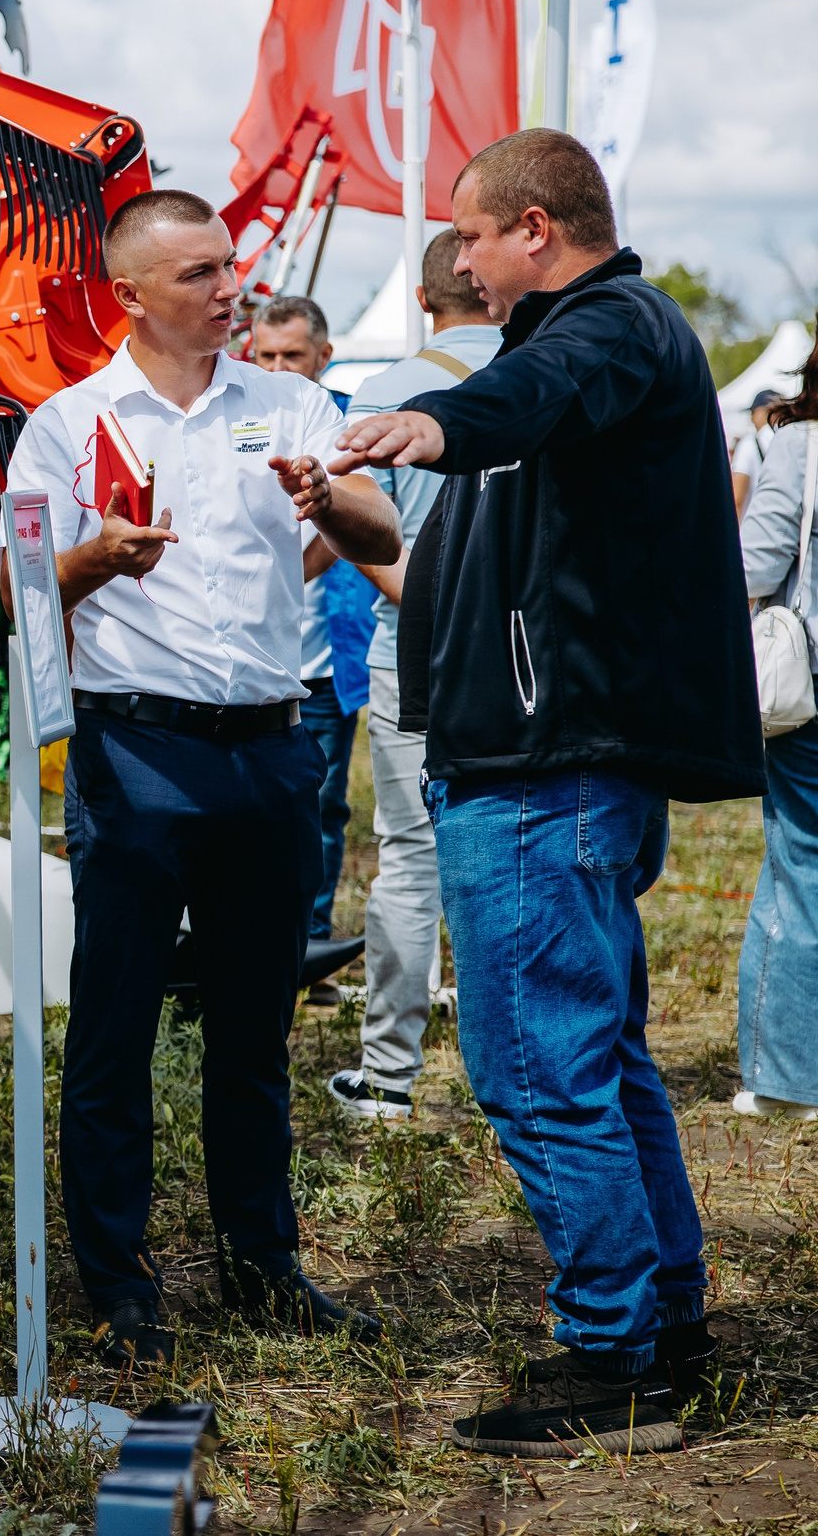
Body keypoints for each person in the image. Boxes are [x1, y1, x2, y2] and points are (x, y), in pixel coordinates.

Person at [334, 129, 762, 1455]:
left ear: (534, 227)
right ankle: (661, 1320)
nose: (455, 263)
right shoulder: (568, 357)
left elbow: (524, 402)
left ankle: (617, 1360)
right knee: (600, 1059)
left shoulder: (607, 328)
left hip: (548, 773)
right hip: (540, 766)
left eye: (469, 235)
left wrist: (437, 419)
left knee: (540, 1069)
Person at [7, 190, 400, 1368]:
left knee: (251, 1028)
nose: (228, 291)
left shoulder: (288, 401)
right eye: (198, 276)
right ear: (127, 294)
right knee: (116, 1028)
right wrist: (84, 560)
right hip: (134, 751)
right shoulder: (67, 426)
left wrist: (330, 494)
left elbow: (379, 530)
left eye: (230, 268)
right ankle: (117, 1285)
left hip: (271, 752)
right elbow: (12, 591)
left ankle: (260, 1263)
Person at [320, 232, 502, 1119]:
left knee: (410, 856)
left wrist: (426, 601)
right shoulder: (550, 377)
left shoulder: (388, 391)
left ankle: (390, 1073)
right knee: (522, 849)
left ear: (425, 302)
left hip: (414, 652)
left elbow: (367, 533)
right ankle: (521, 1061)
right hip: (528, 659)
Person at [249, 297, 367, 995]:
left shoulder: (344, 427)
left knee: (322, 811)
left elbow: (363, 521)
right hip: (254, 670)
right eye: (266, 354)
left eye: (292, 355)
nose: (278, 367)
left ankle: (309, 945)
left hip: (322, 664)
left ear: (323, 356)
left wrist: (289, 573)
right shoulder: (239, 418)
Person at [736, 342, 818, 1119]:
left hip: (811, 698)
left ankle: (788, 1077)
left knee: (800, 868)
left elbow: (753, 566)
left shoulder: (800, 446)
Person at [735, 388, 785, 515]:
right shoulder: (793, 440)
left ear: (765, 411)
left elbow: (737, 497)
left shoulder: (749, 443)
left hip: (757, 524)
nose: (751, 419)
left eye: (753, 412)